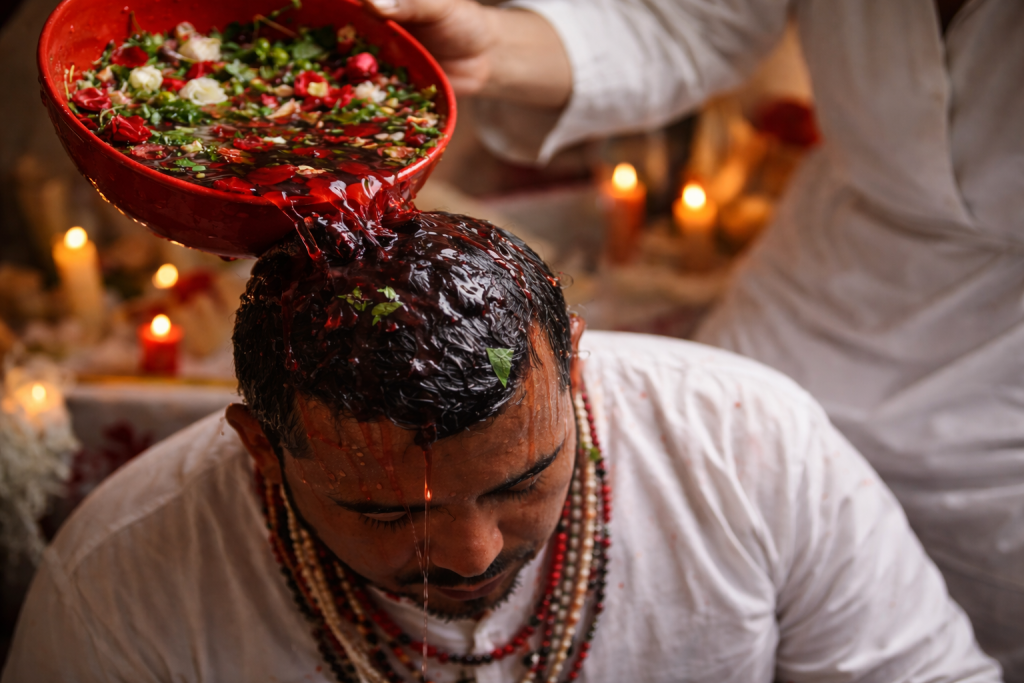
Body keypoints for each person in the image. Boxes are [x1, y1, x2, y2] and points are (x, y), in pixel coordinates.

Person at [2, 206, 1000, 682]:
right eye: (388, 510)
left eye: (522, 482)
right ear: (261, 451)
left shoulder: (747, 444)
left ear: (577, 381)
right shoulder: (121, 580)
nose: (473, 552)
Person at [360, 0, 1024, 676]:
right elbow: (695, 21)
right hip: (817, 285)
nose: (469, 552)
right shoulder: (747, 407)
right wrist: (492, 43)